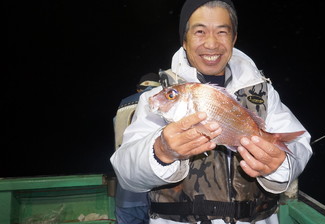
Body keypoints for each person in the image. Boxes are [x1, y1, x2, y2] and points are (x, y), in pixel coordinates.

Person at [111, 0, 313, 223]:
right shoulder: (156, 97)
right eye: (199, 31)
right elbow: (125, 172)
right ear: (184, 41)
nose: (211, 43)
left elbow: (299, 145)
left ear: (233, 39)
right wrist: (160, 151)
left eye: (222, 32)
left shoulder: (263, 92)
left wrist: (281, 164)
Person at [113, 72, 160, 224]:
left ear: (138, 89)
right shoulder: (160, 100)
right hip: (155, 190)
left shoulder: (122, 105)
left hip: (126, 191)